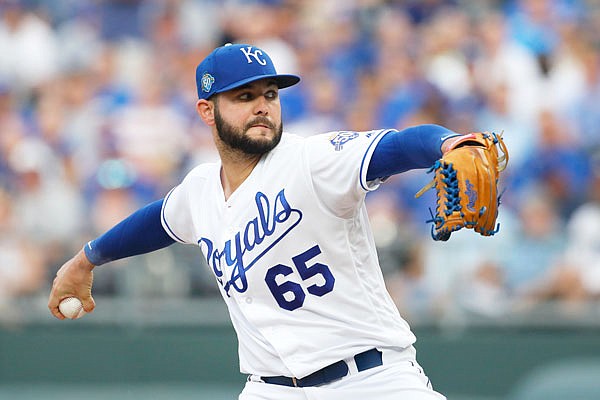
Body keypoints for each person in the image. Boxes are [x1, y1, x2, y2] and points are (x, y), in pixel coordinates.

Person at [48, 43, 489, 400]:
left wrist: (449, 142)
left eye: (270, 94)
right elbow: (156, 222)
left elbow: (397, 146)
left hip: (371, 380)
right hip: (270, 388)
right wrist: (85, 260)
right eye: (245, 96)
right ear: (207, 111)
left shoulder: (311, 160)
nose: (262, 106)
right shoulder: (201, 189)